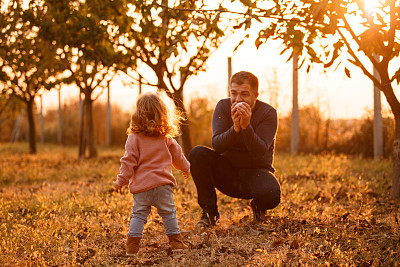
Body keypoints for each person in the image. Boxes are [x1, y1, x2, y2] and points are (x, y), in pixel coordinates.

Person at [188, 71, 281, 227]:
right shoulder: (223, 107)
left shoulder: (268, 113)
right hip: (227, 172)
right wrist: (235, 128)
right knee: (197, 153)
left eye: (244, 94)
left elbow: (260, 151)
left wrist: (246, 127)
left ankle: (258, 207)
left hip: (256, 172)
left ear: (255, 95)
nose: (238, 99)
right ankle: (209, 213)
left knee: (271, 194)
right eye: (234, 93)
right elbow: (217, 145)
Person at [113, 92, 190, 256]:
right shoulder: (166, 138)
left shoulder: (133, 138)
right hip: (163, 186)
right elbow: (178, 157)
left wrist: (121, 181)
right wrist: (185, 168)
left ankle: (132, 247)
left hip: (142, 188)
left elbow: (128, 162)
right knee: (169, 213)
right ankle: (176, 243)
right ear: (163, 114)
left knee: (139, 215)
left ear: (138, 115)